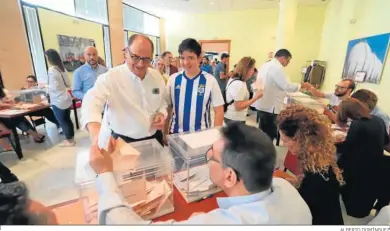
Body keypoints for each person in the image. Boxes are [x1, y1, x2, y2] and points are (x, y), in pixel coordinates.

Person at [90, 123, 312, 224]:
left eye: (211, 155)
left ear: (230, 177)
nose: (206, 159)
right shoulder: (287, 189)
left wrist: (105, 173)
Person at [81, 34, 167, 149]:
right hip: (124, 142)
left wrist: (161, 113)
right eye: (135, 57)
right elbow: (91, 101)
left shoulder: (156, 77)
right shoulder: (111, 77)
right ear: (126, 52)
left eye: (146, 59)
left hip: (154, 138)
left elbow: (162, 101)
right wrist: (96, 133)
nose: (140, 64)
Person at [277, 105, 344, 225]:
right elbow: (303, 183)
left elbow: (302, 212)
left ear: (300, 140)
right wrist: (288, 181)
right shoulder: (318, 159)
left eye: (286, 140)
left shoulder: (315, 178)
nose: (283, 144)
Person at [336, 98, 390, 224]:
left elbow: (349, 148)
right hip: (376, 165)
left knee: (332, 159)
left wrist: (337, 144)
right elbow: (385, 141)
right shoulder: (378, 120)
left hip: (358, 170)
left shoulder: (357, 124)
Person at [165, 38, 224, 136]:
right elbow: (168, 108)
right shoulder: (173, 80)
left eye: (191, 58)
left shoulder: (210, 81)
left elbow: (219, 111)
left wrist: (215, 136)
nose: (186, 62)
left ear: (199, 58)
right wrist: (164, 132)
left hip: (201, 135)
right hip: (175, 134)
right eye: (182, 58)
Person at [254, 49, 304, 142]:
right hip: (271, 107)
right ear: (282, 58)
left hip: (262, 103)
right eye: (288, 60)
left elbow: (258, 84)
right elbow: (287, 86)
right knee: (270, 133)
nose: (288, 63)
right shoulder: (277, 67)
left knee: (263, 131)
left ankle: (262, 150)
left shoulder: (265, 65)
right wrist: (301, 85)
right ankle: (267, 153)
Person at [45, 49, 75, 147]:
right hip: (66, 97)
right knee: (67, 119)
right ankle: (71, 138)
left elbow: (54, 87)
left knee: (62, 121)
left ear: (49, 58)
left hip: (58, 100)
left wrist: (45, 86)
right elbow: (68, 84)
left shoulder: (52, 70)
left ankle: (69, 141)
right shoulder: (63, 69)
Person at [224, 57, 263, 124]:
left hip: (231, 116)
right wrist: (256, 98)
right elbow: (238, 107)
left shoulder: (234, 78)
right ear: (247, 69)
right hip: (235, 119)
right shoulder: (239, 84)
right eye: (253, 68)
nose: (253, 71)